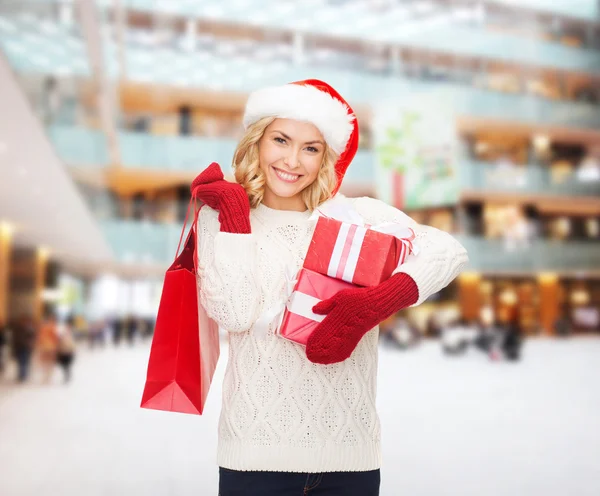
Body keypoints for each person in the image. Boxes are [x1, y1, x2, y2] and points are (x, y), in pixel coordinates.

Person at [191, 79, 468, 496]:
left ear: (326, 158)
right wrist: (235, 218)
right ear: (257, 141)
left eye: (311, 147)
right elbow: (235, 312)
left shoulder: (355, 216)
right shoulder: (220, 220)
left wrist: (377, 302)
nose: (292, 160)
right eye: (280, 140)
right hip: (254, 457)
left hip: (350, 458)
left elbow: (447, 251)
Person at [11, 315, 37, 382]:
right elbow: (15, 339)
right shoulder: (17, 329)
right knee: (21, 362)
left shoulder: (29, 328)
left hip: (26, 348)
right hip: (20, 347)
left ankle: (23, 375)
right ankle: (22, 375)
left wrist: (31, 344)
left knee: (25, 362)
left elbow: (32, 337)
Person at [37, 313, 59, 384]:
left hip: (45, 346)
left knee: (45, 362)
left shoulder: (44, 327)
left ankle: (46, 376)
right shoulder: (53, 327)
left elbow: (40, 337)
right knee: (49, 362)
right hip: (50, 346)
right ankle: (48, 376)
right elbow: (55, 338)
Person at [56, 317, 76, 383]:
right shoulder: (62, 331)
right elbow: (59, 339)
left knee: (68, 363)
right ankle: (66, 373)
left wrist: (73, 349)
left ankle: (67, 374)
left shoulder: (72, 331)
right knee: (64, 363)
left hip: (69, 350)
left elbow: (73, 342)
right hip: (63, 349)